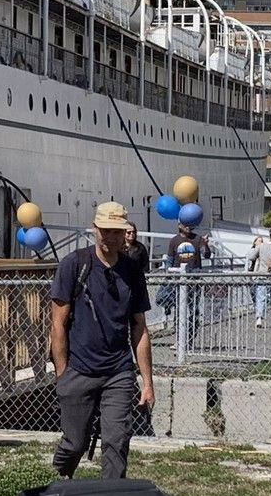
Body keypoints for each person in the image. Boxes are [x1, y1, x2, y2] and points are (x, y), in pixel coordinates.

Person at [49, 201, 153, 480]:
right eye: (105, 230)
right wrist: (62, 374)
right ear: (94, 229)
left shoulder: (132, 271)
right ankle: (57, 483)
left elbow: (139, 328)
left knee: (117, 441)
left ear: (126, 233)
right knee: (74, 444)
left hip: (118, 370)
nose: (111, 237)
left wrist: (147, 383)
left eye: (117, 232)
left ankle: (112, 493)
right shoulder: (74, 264)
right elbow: (58, 323)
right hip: (79, 369)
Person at [166, 222, 211, 345]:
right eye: (185, 224)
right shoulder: (174, 240)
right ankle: (179, 340)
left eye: (190, 224)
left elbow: (206, 255)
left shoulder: (198, 239)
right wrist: (169, 277)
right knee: (179, 312)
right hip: (178, 281)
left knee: (194, 311)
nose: (188, 226)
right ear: (179, 225)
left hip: (194, 281)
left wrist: (206, 245)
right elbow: (169, 261)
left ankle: (190, 339)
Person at [248, 231, 271, 328]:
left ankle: (259, 318)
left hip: (261, 274)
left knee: (261, 297)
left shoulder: (261, 246)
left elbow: (251, 257)